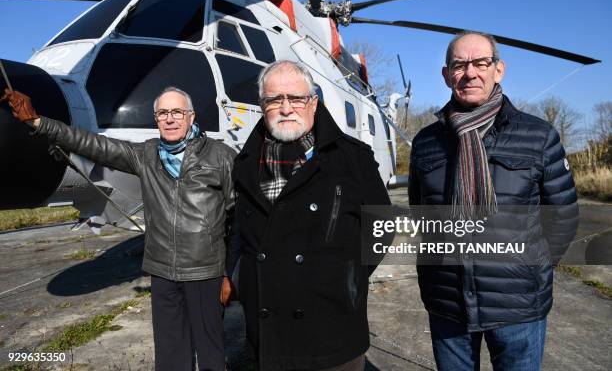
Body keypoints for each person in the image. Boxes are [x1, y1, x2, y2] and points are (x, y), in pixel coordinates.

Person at [2, 86, 236, 371]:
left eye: (177, 112)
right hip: (162, 272)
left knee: (211, 353)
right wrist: (38, 122)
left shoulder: (221, 156)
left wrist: (229, 273)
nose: (170, 119)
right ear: (156, 118)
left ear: (191, 116)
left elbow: (237, 218)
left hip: (205, 272)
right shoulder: (146, 154)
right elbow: (94, 145)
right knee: (171, 355)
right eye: (163, 113)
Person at [409, 32, 579, 370]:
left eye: (480, 63)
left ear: (498, 69)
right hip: (448, 304)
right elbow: (421, 216)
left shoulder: (538, 136)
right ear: (446, 75)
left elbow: (562, 216)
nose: (470, 73)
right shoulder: (426, 142)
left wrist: (531, 268)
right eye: (459, 65)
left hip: (518, 307)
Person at [231, 60, 391, 370]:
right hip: (268, 330)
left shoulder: (352, 157)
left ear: (313, 103)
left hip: (333, 328)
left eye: (296, 98)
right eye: (274, 99)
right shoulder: (245, 163)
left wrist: (349, 278)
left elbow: (382, 225)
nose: (286, 108)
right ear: (262, 105)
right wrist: (238, 277)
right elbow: (239, 230)